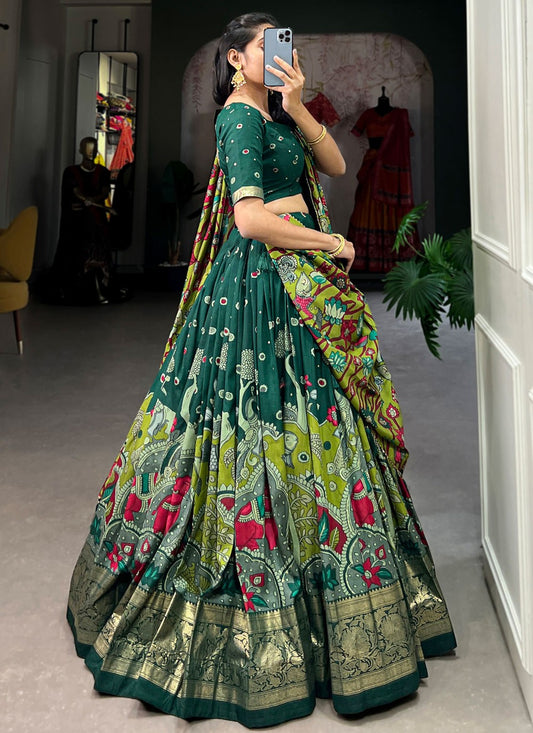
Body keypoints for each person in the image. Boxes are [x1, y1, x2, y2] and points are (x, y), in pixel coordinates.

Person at [67, 12, 456, 728]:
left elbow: (335, 166)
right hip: (262, 286)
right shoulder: (238, 118)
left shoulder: (278, 112)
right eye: (267, 47)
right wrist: (328, 243)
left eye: (286, 45)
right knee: (255, 427)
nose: (281, 55)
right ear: (236, 60)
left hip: (295, 275)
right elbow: (248, 220)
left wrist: (299, 104)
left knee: (318, 426)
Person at [347, 88, 419, 273]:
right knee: (367, 208)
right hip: (372, 168)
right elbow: (355, 132)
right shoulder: (368, 115)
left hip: (394, 173)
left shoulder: (400, 116)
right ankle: (367, 260)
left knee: (393, 210)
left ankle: (395, 260)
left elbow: (406, 138)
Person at [50, 137, 113, 304]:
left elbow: (104, 192)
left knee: (99, 249)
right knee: (74, 251)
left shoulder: (103, 172)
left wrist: (92, 200)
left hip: (97, 222)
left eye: (93, 149)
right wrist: (83, 200)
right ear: (81, 150)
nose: (91, 152)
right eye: (87, 148)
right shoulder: (71, 172)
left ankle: (101, 285)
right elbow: (74, 192)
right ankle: (73, 287)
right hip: (77, 223)